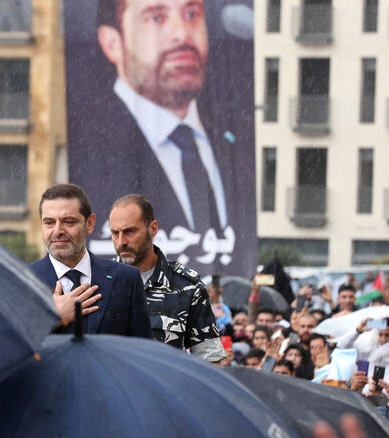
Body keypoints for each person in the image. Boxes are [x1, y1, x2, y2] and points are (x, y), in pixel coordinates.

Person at [72, 0, 255, 273]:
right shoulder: (87, 141)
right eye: (156, 18)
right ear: (112, 42)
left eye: (192, 14)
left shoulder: (238, 137)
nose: (182, 33)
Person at [108, 194, 223, 360]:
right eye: (114, 233)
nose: (121, 241)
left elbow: (211, 360)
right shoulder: (99, 282)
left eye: (129, 231)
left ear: (153, 228)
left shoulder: (189, 288)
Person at [28, 184, 153, 337]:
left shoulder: (126, 278)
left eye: (69, 222)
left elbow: (142, 350)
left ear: (90, 223)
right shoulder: (20, 281)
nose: (58, 231)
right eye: (49, 222)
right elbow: (6, 351)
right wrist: (50, 318)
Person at [335, 316, 389, 388]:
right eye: (380, 335)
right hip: (367, 398)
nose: (383, 340)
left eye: (388, 335)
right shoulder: (369, 348)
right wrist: (358, 330)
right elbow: (342, 346)